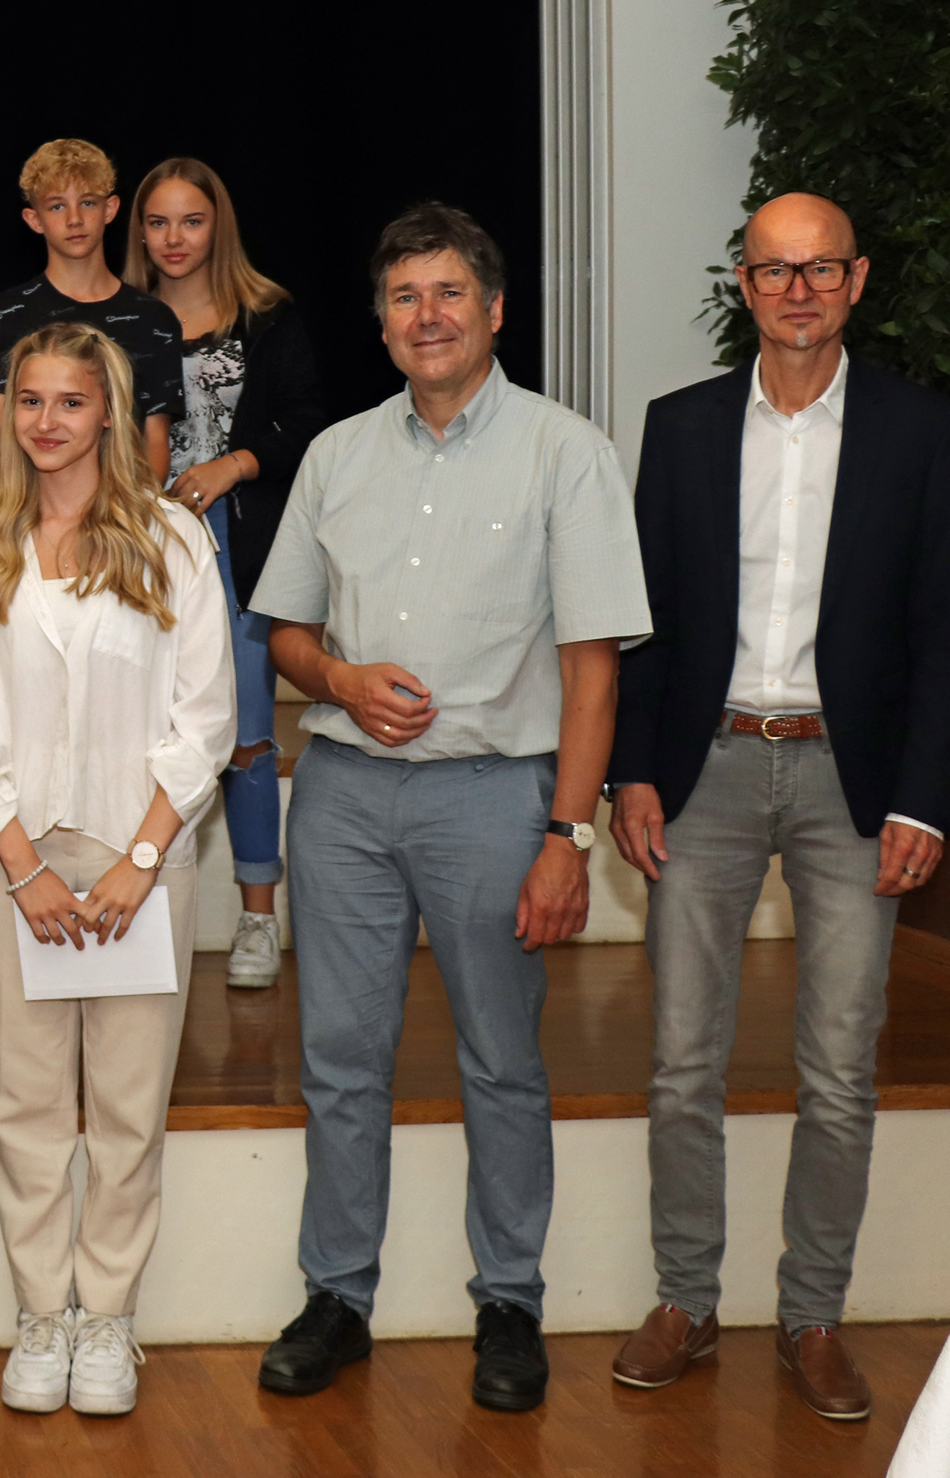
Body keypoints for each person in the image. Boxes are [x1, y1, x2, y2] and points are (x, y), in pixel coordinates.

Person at [248, 203, 649, 1414]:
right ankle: (337, 1296)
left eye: (447, 294)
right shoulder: (336, 456)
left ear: (494, 310)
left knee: (500, 1063)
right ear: (379, 324)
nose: (425, 316)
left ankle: (510, 1301)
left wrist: (565, 836)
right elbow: (289, 639)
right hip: (344, 798)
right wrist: (339, 681)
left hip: (494, 797)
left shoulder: (563, 452)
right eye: (403, 299)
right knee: (339, 1060)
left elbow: (593, 668)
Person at [604, 193, 950, 1422]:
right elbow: (639, 623)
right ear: (741, 286)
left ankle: (812, 1315)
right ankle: (686, 1300)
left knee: (839, 1073)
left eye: (819, 270)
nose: (796, 289)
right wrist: (630, 768)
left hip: (851, 785)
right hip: (703, 771)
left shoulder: (919, 431)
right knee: (680, 1061)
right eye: (772, 269)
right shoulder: (680, 427)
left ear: (855, 282)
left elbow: (937, 632)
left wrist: (925, 796)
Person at [0, 322, 233, 1417]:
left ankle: (105, 1318)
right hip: (20, 865)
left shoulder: (171, 539)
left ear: (109, 411)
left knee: (124, 1104)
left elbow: (205, 718)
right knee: (23, 1101)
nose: (47, 422)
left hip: (136, 863)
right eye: (28, 402)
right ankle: (39, 1313)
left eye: (70, 401)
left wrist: (141, 861)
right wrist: (20, 866)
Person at [125, 156, 328, 989]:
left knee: (247, 739)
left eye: (192, 221)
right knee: (143, 736)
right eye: (159, 221)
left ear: (219, 227)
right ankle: (132, 907)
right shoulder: (124, 321)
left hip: (241, 554)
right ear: (139, 231)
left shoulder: (268, 314)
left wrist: (234, 464)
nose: (175, 238)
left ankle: (256, 919)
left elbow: (311, 425)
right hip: (143, 555)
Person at [0, 140, 186, 491]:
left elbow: (154, 443)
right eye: (56, 206)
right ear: (34, 219)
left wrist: (125, 518)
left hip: (118, 523)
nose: (74, 219)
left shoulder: (153, 320)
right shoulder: (1, 316)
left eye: (87, 202)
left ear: (110, 208)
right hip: (27, 522)